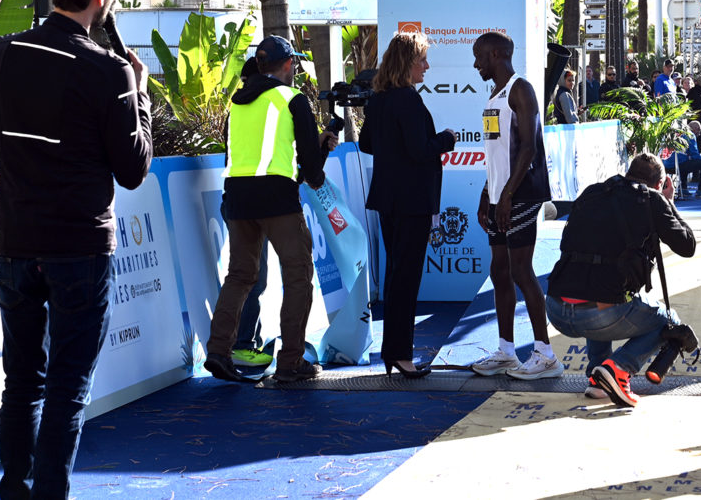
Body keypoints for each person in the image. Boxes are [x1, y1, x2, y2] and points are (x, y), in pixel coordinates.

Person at [0, 0, 153, 498]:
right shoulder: (110, 71)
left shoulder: (1, 54)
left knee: (21, 382)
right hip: (79, 247)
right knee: (69, 383)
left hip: (17, 246)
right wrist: (139, 95)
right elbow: (133, 170)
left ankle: (16, 493)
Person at [205, 35, 337, 384]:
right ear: (288, 64)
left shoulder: (238, 103)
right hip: (277, 198)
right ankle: (291, 361)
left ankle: (218, 350)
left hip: (237, 197)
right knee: (297, 277)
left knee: (239, 276)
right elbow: (312, 173)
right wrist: (322, 149)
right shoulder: (292, 99)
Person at [546, 154, 697, 408]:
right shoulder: (652, 200)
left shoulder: (592, 192)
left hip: (555, 308)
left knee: (599, 282)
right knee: (667, 320)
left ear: (628, 173)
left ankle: (598, 377)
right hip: (600, 314)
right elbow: (687, 245)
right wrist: (668, 203)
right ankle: (618, 368)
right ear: (659, 184)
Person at [359, 32, 457, 377]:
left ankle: (394, 353)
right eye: (422, 60)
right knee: (405, 279)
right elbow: (419, 149)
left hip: (389, 200)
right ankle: (401, 355)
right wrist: (446, 139)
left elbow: (366, 143)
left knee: (396, 277)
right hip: (411, 201)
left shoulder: (380, 99)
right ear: (407, 63)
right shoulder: (406, 100)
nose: (426, 66)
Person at [471, 32, 562, 380]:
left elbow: (528, 148)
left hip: (521, 195)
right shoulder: (493, 94)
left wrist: (507, 194)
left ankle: (546, 354)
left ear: (496, 55)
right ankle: (507, 351)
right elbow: (496, 154)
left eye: (479, 56)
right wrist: (487, 193)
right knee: (500, 272)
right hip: (499, 195)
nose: (476, 64)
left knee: (522, 270)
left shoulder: (520, 89)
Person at [230, 56, 274, 368]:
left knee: (246, 277)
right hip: (259, 202)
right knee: (252, 279)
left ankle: (238, 344)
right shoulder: (266, 106)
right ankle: (242, 344)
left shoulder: (237, 107)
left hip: (237, 200)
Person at [666, 122, 701, 199]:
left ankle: (683, 188)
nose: (699, 134)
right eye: (699, 131)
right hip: (678, 166)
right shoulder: (690, 135)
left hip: (666, 165)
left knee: (685, 160)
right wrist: (700, 161)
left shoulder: (675, 133)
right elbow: (695, 154)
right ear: (696, 129)